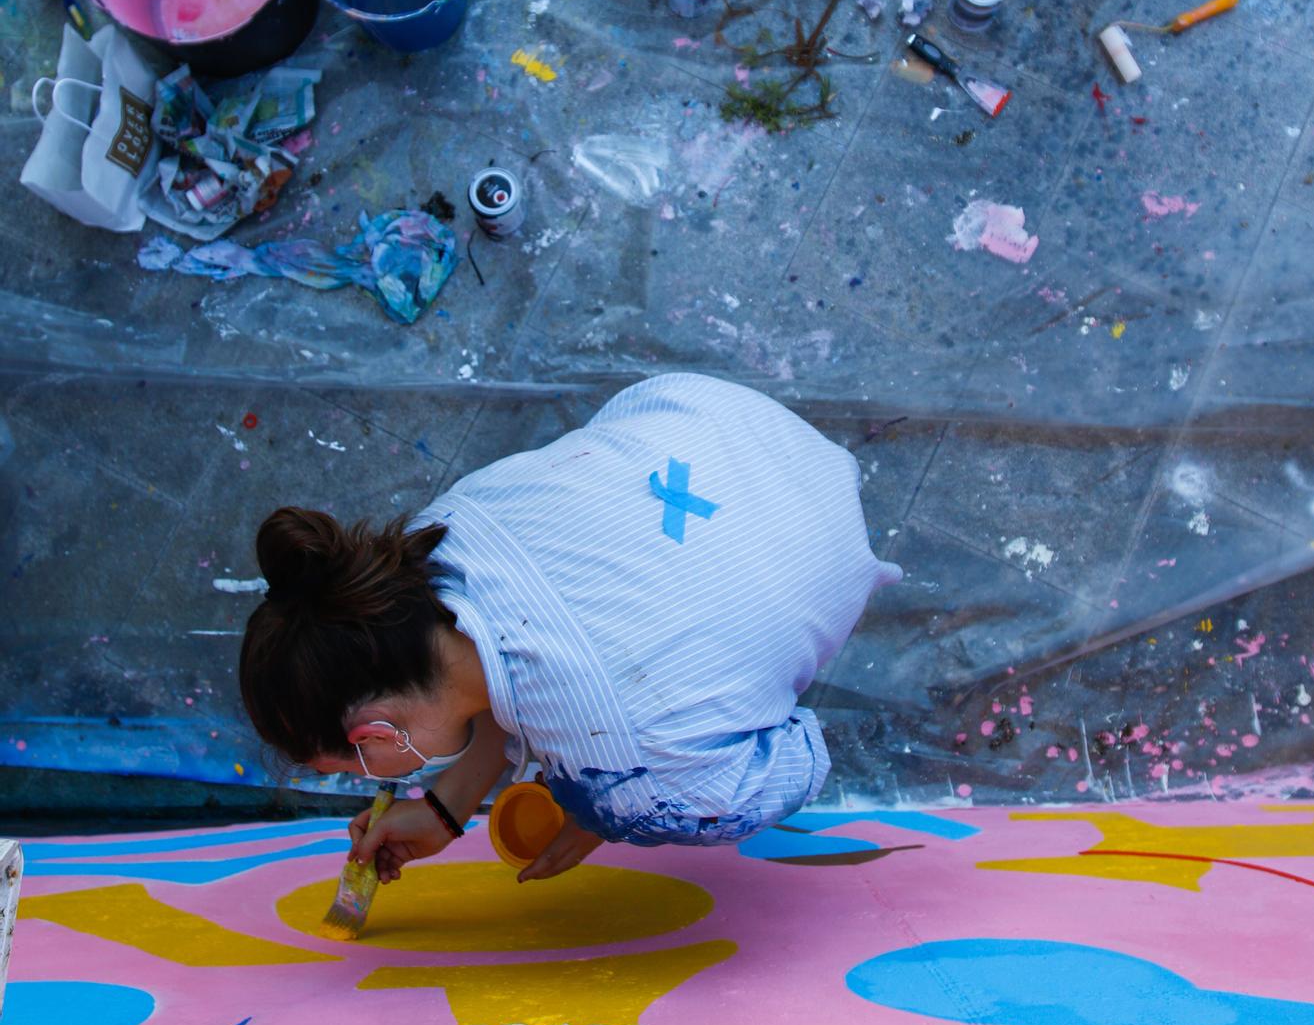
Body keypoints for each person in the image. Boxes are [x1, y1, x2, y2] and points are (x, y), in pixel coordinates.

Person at [239, 373, 887, 885]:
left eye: (359, 764)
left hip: (827, 547)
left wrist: (619, 799)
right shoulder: (431, 541)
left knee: (668, 768)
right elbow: (507, 657)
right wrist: (445, 809)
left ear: (373, 732)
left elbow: (801, 756)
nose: (375, 778)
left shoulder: (637, 780)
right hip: (711, 415)